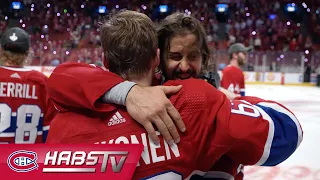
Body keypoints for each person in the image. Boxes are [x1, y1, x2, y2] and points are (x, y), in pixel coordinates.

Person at [46, 11, 303, 179]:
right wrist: (230, 102)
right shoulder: (200, 102)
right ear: (157, 58)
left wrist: (126, 92)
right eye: (176, 57)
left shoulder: (64, 126)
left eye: (193, 57)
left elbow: (60, 78)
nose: (184, 67)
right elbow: (288, 130)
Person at [0, 27, 56, 143]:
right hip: (29, 157)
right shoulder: (42, 82)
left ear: (1, 50)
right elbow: (49, 132)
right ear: (28, 52)